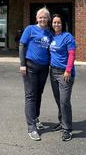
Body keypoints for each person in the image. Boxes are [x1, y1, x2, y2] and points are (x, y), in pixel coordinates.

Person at [19, 7, 52, 141]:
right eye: (40, 17)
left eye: (45, 17)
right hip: (30, 66)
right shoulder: (30, 29)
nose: (42, 19)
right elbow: (22, 45)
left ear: (48, 19)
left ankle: (35, 117)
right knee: (31, 96)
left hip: (44, 68)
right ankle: (31, 127)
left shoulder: (49, 33)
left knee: (39, 94)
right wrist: (22, 64)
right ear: (37, 18)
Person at [49, 13, 76, 142]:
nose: (56, 24)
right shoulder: (52, 36)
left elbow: (71, 54)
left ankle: (67, 129)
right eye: (54, 22)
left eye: (58, 22)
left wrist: (68, 70)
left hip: (65, 73)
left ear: (62, 24)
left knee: (64, 101)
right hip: (52, 72)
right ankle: (62, 122)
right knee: (59, 100)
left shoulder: (67, 37)